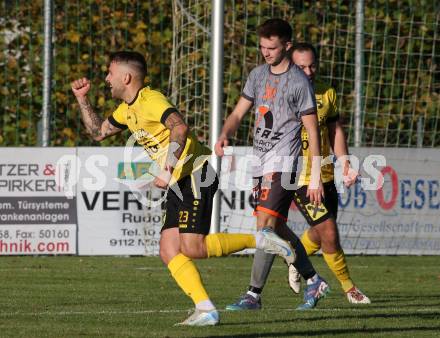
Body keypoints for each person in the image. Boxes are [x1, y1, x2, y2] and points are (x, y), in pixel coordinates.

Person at [71, 51, 299, 327]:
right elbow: (98, 132)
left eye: (110, 73)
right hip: (180, 181)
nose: (107, 78)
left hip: (194, 174)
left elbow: (179, 128)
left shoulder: (151, 100)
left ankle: (261, 241)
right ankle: (206, 309)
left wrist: (166, 169)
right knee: (168, 250)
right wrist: (82, 99)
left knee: (192, 247)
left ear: (126, 77)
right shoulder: (126, 110)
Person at [225, 42, 371, 311]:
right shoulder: (281, 86)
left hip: (320, 174)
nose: (308, 70)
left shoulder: (326, 92)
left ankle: (302, 271)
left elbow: (334, 130)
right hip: (294, 174)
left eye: (312, 65)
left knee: (310, 233)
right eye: (302, 66)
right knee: (311, 229)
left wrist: (345, 164)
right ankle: (345, 287)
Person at [215, 19, 330, 312]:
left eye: (272, 47)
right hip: (260, 164)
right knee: (277, 230)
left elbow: (313, 131)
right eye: (263, 47)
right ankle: (314, 280)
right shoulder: (257, 75)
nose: (266, 52)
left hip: (285, 165)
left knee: (264, 227)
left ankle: (253, 295)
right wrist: (226, 133)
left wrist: (315, 177)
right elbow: (239, 112)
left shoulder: (299, 82)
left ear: (287, 47)